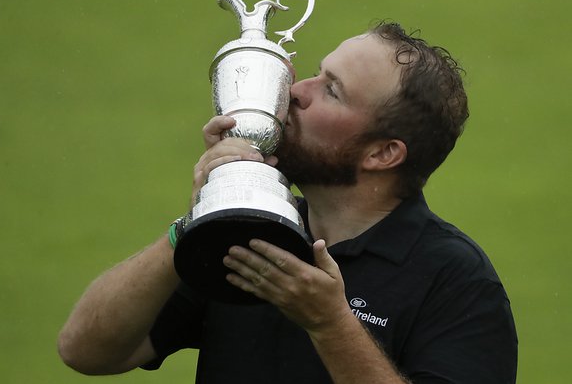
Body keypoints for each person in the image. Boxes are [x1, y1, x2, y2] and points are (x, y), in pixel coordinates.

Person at [57, 21, 518, 383]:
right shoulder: (247, 228)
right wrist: (199, 217)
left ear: (382, 153)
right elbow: (85, 350)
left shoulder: (457, 281)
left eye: (332, 90)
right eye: (317, 73)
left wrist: (330, 324)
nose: (296, 91)